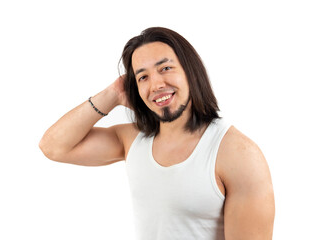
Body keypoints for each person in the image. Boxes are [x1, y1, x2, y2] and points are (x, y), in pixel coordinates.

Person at [39, 27, 275, 240]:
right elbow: (53, 147)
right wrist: (112, 93)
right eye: (143, 77)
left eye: (166, 68)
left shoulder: (238, 153)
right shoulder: (132, 139)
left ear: (191, 72)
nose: (156, 84)